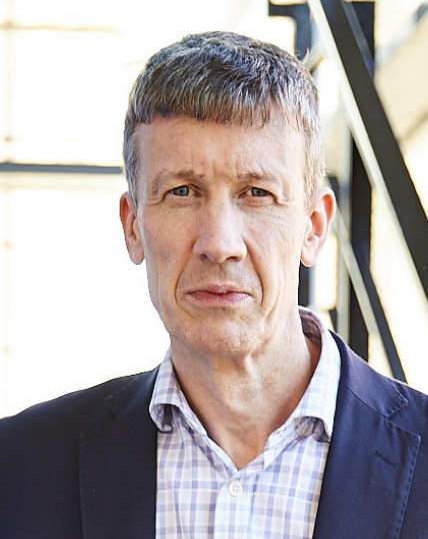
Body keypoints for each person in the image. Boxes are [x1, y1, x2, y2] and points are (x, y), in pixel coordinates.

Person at [1, 31, 427, 539]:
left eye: (257, 193)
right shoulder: (19, 468)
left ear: (314, 227)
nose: (219, 243)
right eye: (182, 192)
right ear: (133, 226)